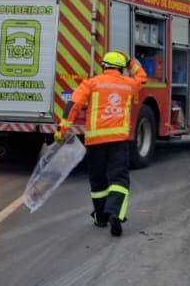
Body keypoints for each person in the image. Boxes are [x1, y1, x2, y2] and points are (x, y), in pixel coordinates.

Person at [56, 51, 148, 237]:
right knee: (118, 179)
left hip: (95, 141)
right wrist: (130, 62)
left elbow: (73, 105)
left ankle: (100, 217)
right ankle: (115, 213)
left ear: (104, 66)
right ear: (121, 68)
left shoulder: (92, 83)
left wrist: (62, 130)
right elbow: (142, 77)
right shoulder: (128, 84)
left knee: (98, 180)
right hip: (118, 141)